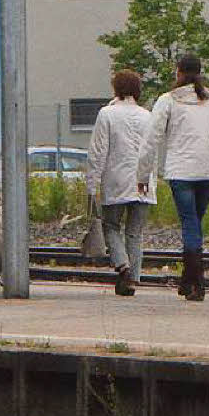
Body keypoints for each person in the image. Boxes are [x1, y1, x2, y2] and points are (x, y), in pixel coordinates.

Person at [136, 54, 209, 301]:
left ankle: (197, 283)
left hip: (180, 172)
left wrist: (142, 174)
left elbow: (151, 140)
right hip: (207, 173)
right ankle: (188, 280)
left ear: (178, 72)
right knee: (194, 223)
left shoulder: (167, 101)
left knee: (190, 224)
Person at [86, 70, 156, 296]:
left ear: (116, 89)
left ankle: (123, 268)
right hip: (143, 183)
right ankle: (133, 278)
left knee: (111, 226)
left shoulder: (107, 114)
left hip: (115, 180)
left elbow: (98, 152)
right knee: (135, 232)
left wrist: (91, 185)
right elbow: (152, 151)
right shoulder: (148, 116)